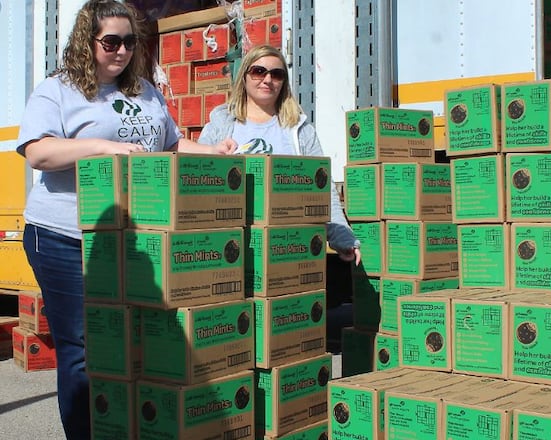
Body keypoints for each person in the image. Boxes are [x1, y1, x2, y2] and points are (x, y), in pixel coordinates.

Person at [15, 1, 232, 438]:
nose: (121, 52)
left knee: (131, 342)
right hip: (65, 235)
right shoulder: (58, 90)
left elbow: (168, 145)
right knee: (83, 348)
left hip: (131, 236)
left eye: (129, 42)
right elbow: (37, 151)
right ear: (86, 41)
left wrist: (217, 153)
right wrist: (100, 146)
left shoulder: (144, 92)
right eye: (110, 42)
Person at [199, 44, 361, 264]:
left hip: (287, 248)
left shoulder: (299, 130)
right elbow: (199, 180)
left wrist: (342, 236)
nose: (267, 80)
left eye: (276, 74)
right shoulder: (221, 125)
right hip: (232, 244)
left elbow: (322, 187)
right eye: (258, 71)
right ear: (244, 77)